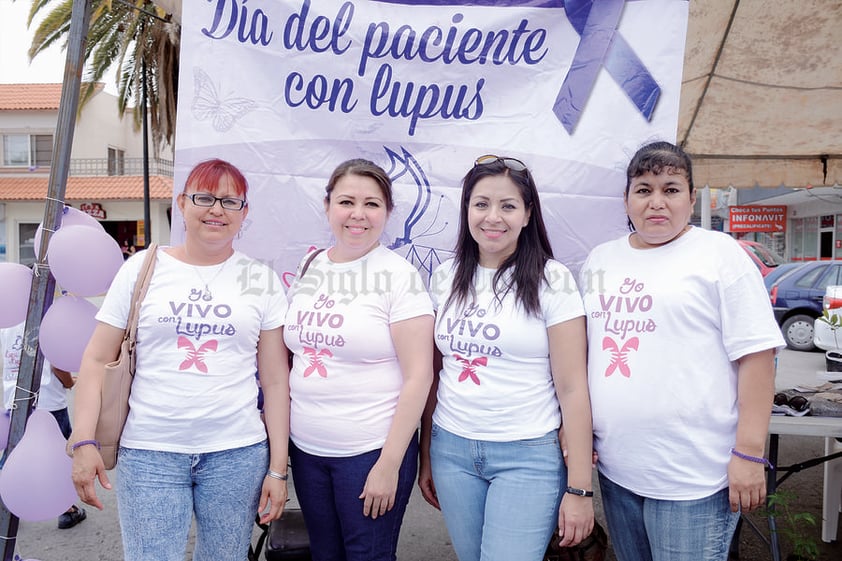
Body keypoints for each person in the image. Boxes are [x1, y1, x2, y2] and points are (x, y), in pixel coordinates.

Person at [68, 159, 290, 561]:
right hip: (150, 452)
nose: (216, 209)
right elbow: (97, 359)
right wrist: (83, 440)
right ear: (182, 204)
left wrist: (277, 468)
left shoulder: (261, 280)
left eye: (230, 201)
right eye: (204, 197)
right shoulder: (141, 269)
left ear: (244, 213)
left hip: (236, 455)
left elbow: (275, 381)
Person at [579, 141, 785, 561]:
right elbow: (584, 357)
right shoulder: (600, 260)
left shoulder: (720, 255)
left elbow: (758, 357)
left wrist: (749, 453)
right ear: (626, 198)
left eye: (671, 189)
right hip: (619, 471)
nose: (657, 202)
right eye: (644, 189)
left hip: (695, 478)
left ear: (692, 197)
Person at [418, 155, 595, 561]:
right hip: (452, 451)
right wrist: (427, 454)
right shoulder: (444, 278)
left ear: (528, 214)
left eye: (508, 206)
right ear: (466, 211)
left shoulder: (553, 280)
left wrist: (580, 488)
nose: (492, 217)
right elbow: (436, 374)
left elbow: (572, 388)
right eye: (481, 204)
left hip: (528, 455)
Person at [284, 158, 434, 561]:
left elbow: (420, 376)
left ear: (387, 212)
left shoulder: (398, 275)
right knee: (324, 554)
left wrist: (389, 464)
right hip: (308, 451)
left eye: (372, 204)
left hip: (369, 452)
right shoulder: (310, 264)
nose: (358, 214)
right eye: (346, 201)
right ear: (328, 205)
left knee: (368, 555)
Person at [0, 321, 86, 529]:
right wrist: (69, 382)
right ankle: (66, 510)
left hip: (15, 401)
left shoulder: (7, 323)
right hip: (48, 401)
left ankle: (7, 503)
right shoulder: (49, 319)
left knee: (15, 454)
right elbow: (58, 363)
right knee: (60, 456)